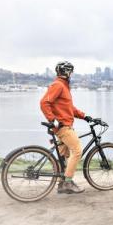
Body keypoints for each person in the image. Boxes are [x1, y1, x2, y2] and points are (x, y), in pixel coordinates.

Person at [40, 61, 93, 194]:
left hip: (64, 125)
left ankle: (61, 183)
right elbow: (44, 102)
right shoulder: (58, 85)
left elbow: (70, 108)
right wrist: (52, 121)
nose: (72, 74)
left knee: (64, 155)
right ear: (67, 72)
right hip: (64, 127)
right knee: (77, 151)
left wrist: (85, 116)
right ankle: (68, 183)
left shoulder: (63, 86)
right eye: (71, 72)